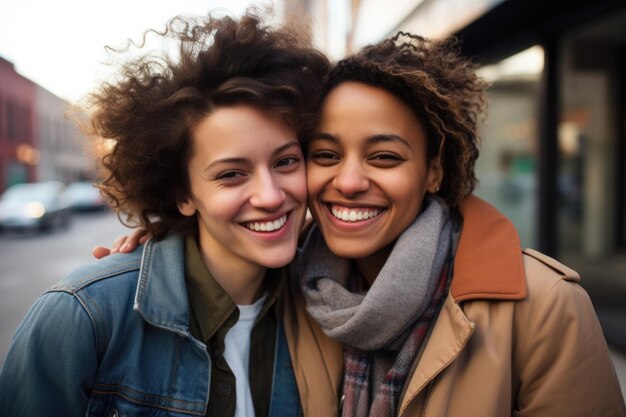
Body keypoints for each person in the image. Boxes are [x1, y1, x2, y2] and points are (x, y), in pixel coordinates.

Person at [94, 32, 626, 416]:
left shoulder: (542, 306)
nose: (348, 182)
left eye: (385, 158)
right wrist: (169, 237)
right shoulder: (291, 283)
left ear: (434, 170)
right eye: (324, 155)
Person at [0, 11, 341, 417]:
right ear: (183, 195)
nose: (270, 196)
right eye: (231, 174)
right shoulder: (84, 316)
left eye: (285, 162)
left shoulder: (328, 301)